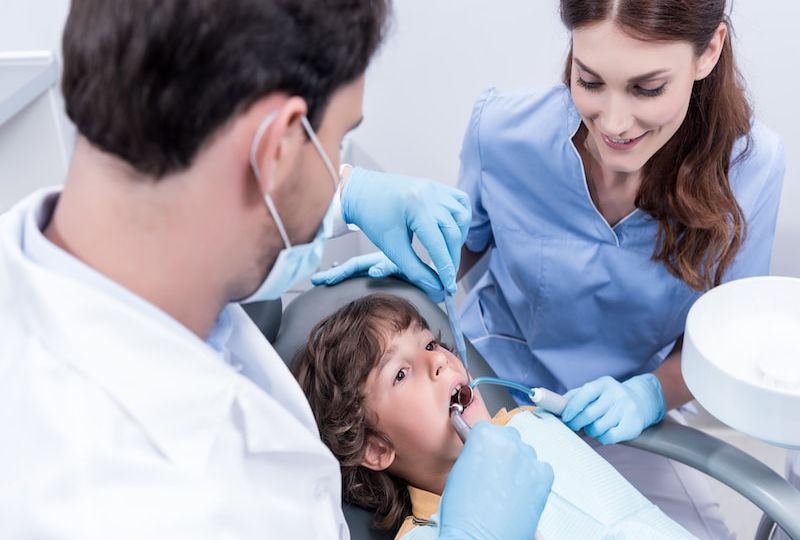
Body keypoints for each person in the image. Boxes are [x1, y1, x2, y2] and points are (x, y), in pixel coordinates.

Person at [0, 0, 552, 538]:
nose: (339, 166)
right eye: (335, 142)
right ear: (277, 149)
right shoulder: (116, 503)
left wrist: (343, 193)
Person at [313, 1, 786, 538]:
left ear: (709, 51)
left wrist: (649, 393)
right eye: (589, 81)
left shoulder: (752, 168)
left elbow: (721, 343)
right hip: (498, 388)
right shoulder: (504, 132)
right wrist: (418, 263)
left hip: (626, 413)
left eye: (646, 89)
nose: (613, 122)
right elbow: (467, 246)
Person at [295, 293, 698, 540]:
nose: (437, 361)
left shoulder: (532, 422)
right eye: (400, 373)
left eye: (430, 343)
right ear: (377, 449)